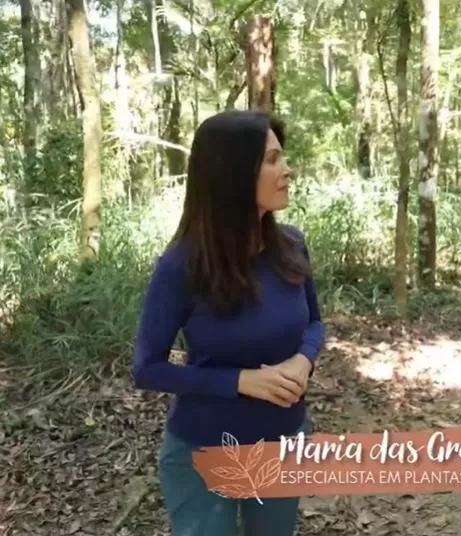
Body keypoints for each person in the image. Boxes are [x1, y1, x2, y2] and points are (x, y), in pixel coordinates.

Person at [131, 110, 325, 536]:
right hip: (204, 452)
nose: (287, 169)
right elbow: (146, 368)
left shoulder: (290, 244)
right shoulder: (182, 265)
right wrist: (239, 381)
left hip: (282, 442)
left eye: (283, 157)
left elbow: (314, 323)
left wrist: (303, 361)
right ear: (234, 174)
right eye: (273, 160)